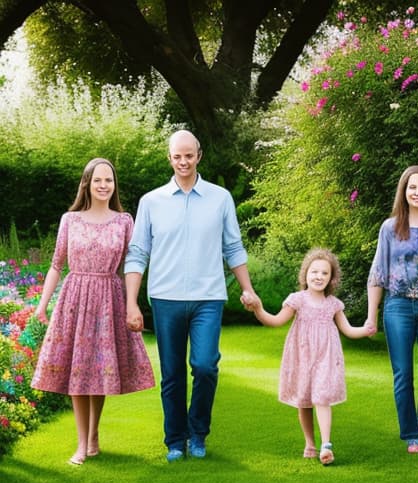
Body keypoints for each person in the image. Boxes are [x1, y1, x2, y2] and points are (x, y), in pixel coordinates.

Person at [124, 129, 255, 462]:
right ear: (169, 158)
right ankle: (175, 441)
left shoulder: (220, 198)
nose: (183, 161)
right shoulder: (151, 202)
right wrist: (131, 302)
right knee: (172, 373)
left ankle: (198, 434)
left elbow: (233, 246)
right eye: (177, 156)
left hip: (208, 298)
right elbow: (138, 252)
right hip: (165, 299)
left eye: (189, 155)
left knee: (205, 365)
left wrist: (247, 289)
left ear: (199, 155)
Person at [31, 157, 155, 465]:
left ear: (114, 185)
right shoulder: (70, 220)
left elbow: (132, 265)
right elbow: (57, 265)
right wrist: (42, 306)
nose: (103, 185)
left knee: (99, 370)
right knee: (78, 370)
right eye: (98, 180)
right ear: (87, 183)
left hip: (107, 299)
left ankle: (93, 435)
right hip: (74, 299)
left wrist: (131, 303)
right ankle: (81, 443)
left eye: (109, 180)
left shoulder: (125, 220)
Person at [245, 248, 375, 465]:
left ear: (332, 278)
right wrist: (258, 308)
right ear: (305, 274)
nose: (318, 276)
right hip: (302, 356)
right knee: (304, 400)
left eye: (324, 273)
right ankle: (310, 444)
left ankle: (326, 445)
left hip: (325, 356)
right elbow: (275, 321)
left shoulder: (333, 304)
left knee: (322, 396)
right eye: (314, 271)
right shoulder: (297, 300)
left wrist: (365, 329)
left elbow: (348, 330)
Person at [366, 165, 418, 454]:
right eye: (412, 187)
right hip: (398, 306)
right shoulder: (390, 228)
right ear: (403, 191)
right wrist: (370, 315)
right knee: (402, 373)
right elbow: (378, 273)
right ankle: (411, 435)